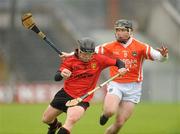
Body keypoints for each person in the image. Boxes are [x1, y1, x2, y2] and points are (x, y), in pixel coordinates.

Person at [95, 19, 169, 134]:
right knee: (110, 111)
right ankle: (105, 114)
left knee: (119, 123)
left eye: (123, 30)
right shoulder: (109, 46)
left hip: (134, 88)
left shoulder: (141, 46)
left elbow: (159, 58)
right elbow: (89, 52)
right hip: (116, 84)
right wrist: (70, 55)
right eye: (117, 30)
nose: (119, 33)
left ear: (130, 32)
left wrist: (164, 56)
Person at [42, 37, 128, 134]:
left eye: (90, 55)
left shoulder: (99, 59)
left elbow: (119, 62)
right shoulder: (70, 60)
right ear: (79, 51)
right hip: (65, 94)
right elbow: (56, 77)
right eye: (84, 54)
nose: (87, 57)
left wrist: (122, 68)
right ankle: (55, 125)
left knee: (70, 121)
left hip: (82, 98)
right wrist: (62, 74)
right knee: (46, 119)